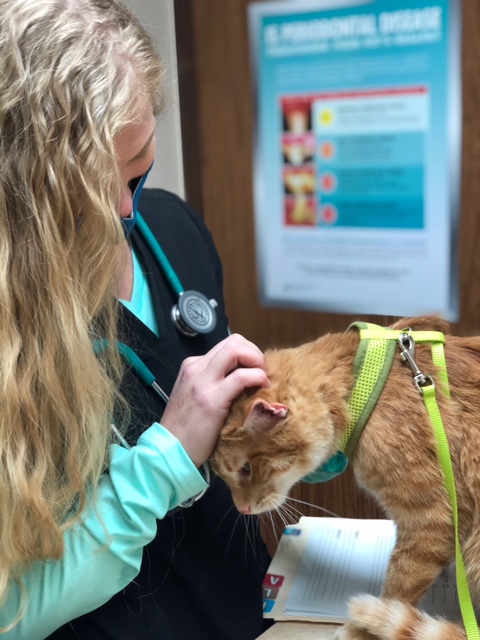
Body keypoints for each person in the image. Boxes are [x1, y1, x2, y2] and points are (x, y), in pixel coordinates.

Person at [0, 0, 273, 638]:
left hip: (247, 608)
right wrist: (162, 461)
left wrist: (307, 435)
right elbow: (12, 611)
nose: (126, 212)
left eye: (139, 169)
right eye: (94, 193)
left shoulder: (173, 228)